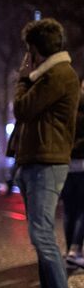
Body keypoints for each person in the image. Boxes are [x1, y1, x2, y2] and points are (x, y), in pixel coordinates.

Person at [8, 18, 79, 288]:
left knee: (43, 237)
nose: (27, 57)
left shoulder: (58, 76)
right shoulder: (47, 75)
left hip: (47, 163)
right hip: (35, 161)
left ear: (37, 50)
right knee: (41, 236)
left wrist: (22, 80)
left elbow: (23, 109)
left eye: (29, 50)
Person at [62, 81, 84, 268]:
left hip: (67, 165)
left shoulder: (67, 108)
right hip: (83, 165)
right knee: (82, 211)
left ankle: (69, 250)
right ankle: (75, 250)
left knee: (70, 210)